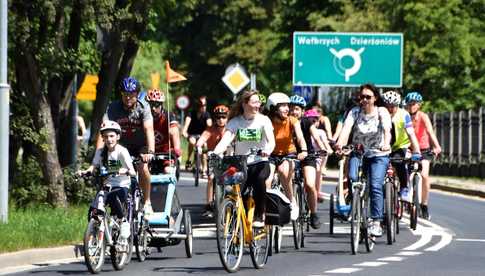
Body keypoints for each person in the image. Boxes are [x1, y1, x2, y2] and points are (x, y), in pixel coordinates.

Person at [335, 83, 392, 237]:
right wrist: (340, 145)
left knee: (375, 185)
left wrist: (386, 144)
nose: (365, 100)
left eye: (368, 97)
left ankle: (376, 221)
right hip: (358, 152)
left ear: (375, 98)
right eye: (362, 97)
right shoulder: (355, 112)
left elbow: (387, 130)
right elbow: (346, 130)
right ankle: (357, 208)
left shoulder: (382, 112)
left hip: (378, 154)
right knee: (353, 178)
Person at [213, 90, 275, 227]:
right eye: (254, 102)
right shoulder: (235, 122)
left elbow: (271, 142)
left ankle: (260, 215)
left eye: (259, 102)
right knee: (235, 191)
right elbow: (225, 140)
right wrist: (216, 152)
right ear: (245, 104)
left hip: (260, 162)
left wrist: (267, 151)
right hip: (241, 164)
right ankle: (237, 224)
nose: (257, 105)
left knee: (260, 181)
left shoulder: (264, 120)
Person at [97, 77, 155, 214]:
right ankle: (116, 206)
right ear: (121, 94)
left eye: (131, 94)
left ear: (137, 94)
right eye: (125, 94)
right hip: (121, 148)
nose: (128, 97)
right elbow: (103, 131)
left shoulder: (143, 107)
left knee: (143, 167)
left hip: (141, 146)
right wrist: (99, 153)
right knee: (112, 172)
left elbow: (149, 129)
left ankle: (147, 202)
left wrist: (151, 152)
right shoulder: (113, 108)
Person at [81, 120, 136, 244]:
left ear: (117, 136)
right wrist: (85, 172)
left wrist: (123, 171)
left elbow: (132, 171)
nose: (109, 139)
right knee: (94, 209)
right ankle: (94, 233)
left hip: (122, 186)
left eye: (111, 136)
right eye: (106, 137)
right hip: (108, 185)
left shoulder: (122, 151)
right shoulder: (101, 152)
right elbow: (93, 166)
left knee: (113, 197)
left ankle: (124, 222)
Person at [266, 92, 309, 223]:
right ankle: (268, 209)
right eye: (283, 106)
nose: (287, 109)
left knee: (284, 172)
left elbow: (300, 137)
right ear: (273, 108)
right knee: (266, 181)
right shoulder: (267, 121)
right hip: (271, 154)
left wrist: (304, 150)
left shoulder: (292, 120)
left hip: (288, 153)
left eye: (287, 105)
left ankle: (292, 202)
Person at [404, 91, 442, 220]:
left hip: (424, 150)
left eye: (414, 104)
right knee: (403, 173)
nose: (411, 106)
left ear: (419, 105)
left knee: (425, 175)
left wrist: (437, 146)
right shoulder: (404, 116)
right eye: (409, 104)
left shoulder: (423, 116)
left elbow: (430, 132)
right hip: (409, 149)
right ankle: (404, 199)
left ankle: (424, 205)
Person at [381, 90, 421, 195]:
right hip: (383, 146)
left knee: (399, 163)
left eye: (392, 106)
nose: (390, 109)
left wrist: (417, 151)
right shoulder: (379, 113)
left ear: (397, 105)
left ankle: (404, 186)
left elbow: (411, 134)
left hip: (400, 145)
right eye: (387, 106)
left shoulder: (404, 115)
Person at [196, 104, 229, 218]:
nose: (221, 120)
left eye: (223, 117)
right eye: (218, 117)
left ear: (227, 118)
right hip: (214, 157)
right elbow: (202, 139)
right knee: (211, 178)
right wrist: (199, 146)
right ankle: (209, 205)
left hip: (228, 157)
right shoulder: (211, 129)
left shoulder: (231, 128)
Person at [145, 88, 182, 177]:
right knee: (143, 172)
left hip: (165, 153)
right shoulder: (144, 116)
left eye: (156, 105)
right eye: (150, 105)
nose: (153, 108)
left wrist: (176, 149)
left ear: (161, 105)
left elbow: (174, 132)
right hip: (148, 153)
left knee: (168, 170)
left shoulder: (168, 116)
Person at [182, 96, 212, 177]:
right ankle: (188, 159)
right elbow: (186, 125)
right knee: (192, 142)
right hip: (192, 134)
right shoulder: (191, 113)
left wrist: (210, 128)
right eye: (202, 105)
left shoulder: (207, 114)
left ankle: (204, 169)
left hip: (202, 136)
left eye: (205, 105)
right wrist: (184, 132)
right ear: (198, 106)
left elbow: (209, 124)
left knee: (204, 146)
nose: (204, 107)